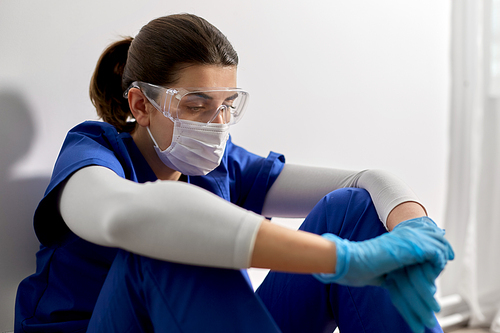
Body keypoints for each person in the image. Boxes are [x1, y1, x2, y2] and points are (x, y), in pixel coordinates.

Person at [14, 13, 453, 333]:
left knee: (352, 210)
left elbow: (363, 182)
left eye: (227, 104)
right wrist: (344, 260)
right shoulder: (93, 153)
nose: (217, 123)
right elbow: (128, 217)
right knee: (168, 241)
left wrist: (416, 232)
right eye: (196, 105)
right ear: (140, 105)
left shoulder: (221, 168)